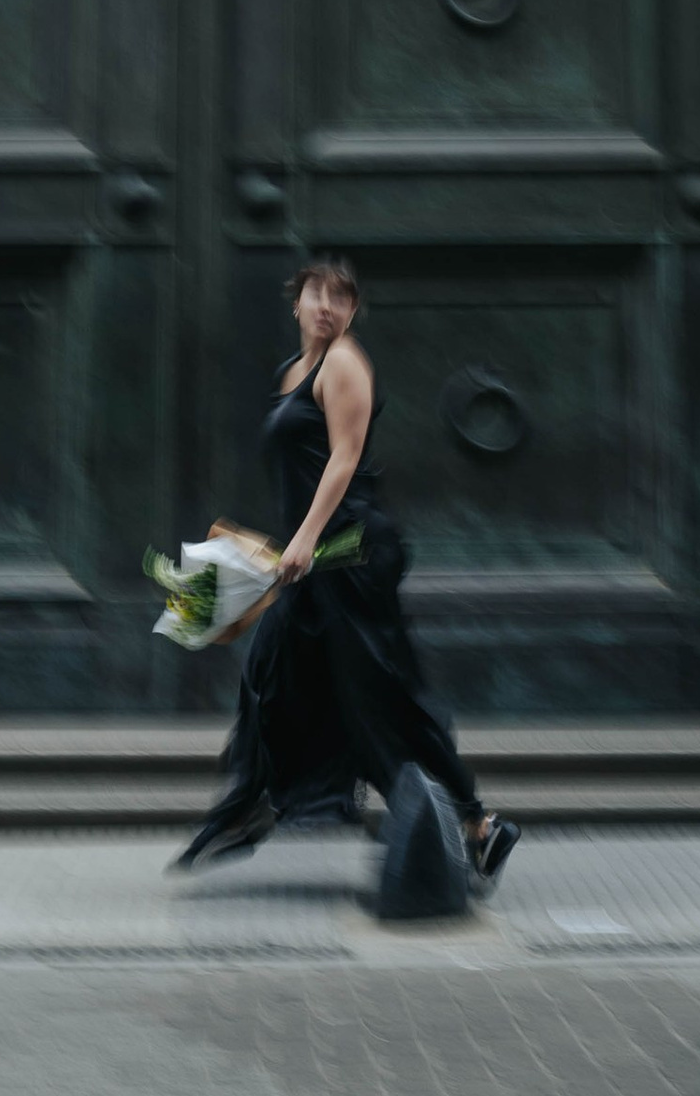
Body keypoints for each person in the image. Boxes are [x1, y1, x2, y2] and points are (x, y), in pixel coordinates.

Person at [173, 253, 519, 882]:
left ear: (353, 310)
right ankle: (258, 804)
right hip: (315, 558)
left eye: (342, 297)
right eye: (317, 294)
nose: (328, 305)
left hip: (352, 552)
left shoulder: (345, 364)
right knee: (272, 676)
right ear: (296, 302)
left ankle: (477, 824)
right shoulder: (292, 372)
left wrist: (303, 538)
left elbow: (344, 459)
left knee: (381, 693)